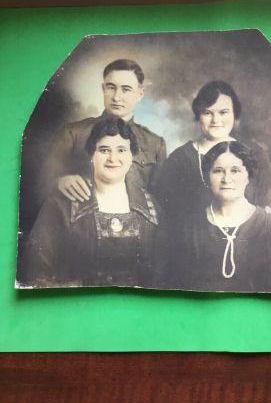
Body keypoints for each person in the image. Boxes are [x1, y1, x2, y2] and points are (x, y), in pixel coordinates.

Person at [17, 117, 166, 288]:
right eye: (104, 150)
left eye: (121, 150)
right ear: (91, 155)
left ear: (131, 156)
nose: (113, 158)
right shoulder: (63, 204)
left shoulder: (152, 208)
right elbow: (36, 272)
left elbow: (160, 275)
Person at [170, 141, 271, 293]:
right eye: (218, 171)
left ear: (248, 176)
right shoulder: (188, 227)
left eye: (235, 171)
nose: (227, 179)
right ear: (208, 176)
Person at [158, 81, 271, 230]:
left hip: (249, 241)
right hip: (197, 246)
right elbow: (167, 215)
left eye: (223, 112)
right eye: (207, 113)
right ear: (198, 115)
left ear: (234, 113)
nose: (216, 120)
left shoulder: (254, 152)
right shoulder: (179, 159)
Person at [43, 59, 166, 202]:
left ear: (140, 94)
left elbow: (160, 199)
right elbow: (42, 184)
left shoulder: (156, 144)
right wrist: (59, 182)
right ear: (103, 89)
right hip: (83, 220)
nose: (116, 97)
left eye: (126, 89)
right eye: (111, 87)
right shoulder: (73, 133)